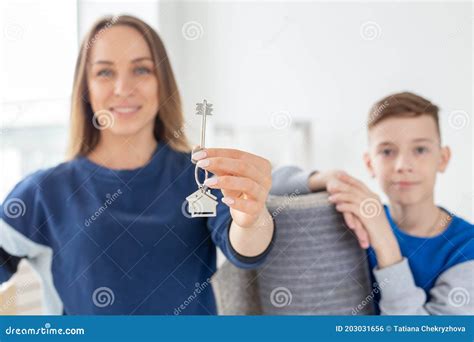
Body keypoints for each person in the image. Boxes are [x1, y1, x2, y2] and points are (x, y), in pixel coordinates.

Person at [0, 15, 274, 315]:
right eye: (105, 72)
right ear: (86, 88)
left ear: (162, 83)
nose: (123, 87)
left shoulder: (200, 177)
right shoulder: (43, 192)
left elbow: (247, 249)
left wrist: (252, 218)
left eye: (141, 69)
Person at [271, 92, 474, 314]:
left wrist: (385, 242)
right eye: (387, 151)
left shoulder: (466, 248)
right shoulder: (358, 216)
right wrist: (327, 178)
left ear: (442, 159)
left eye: (420, 149)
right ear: (369, 164)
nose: (402, 165)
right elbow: (270, 185)